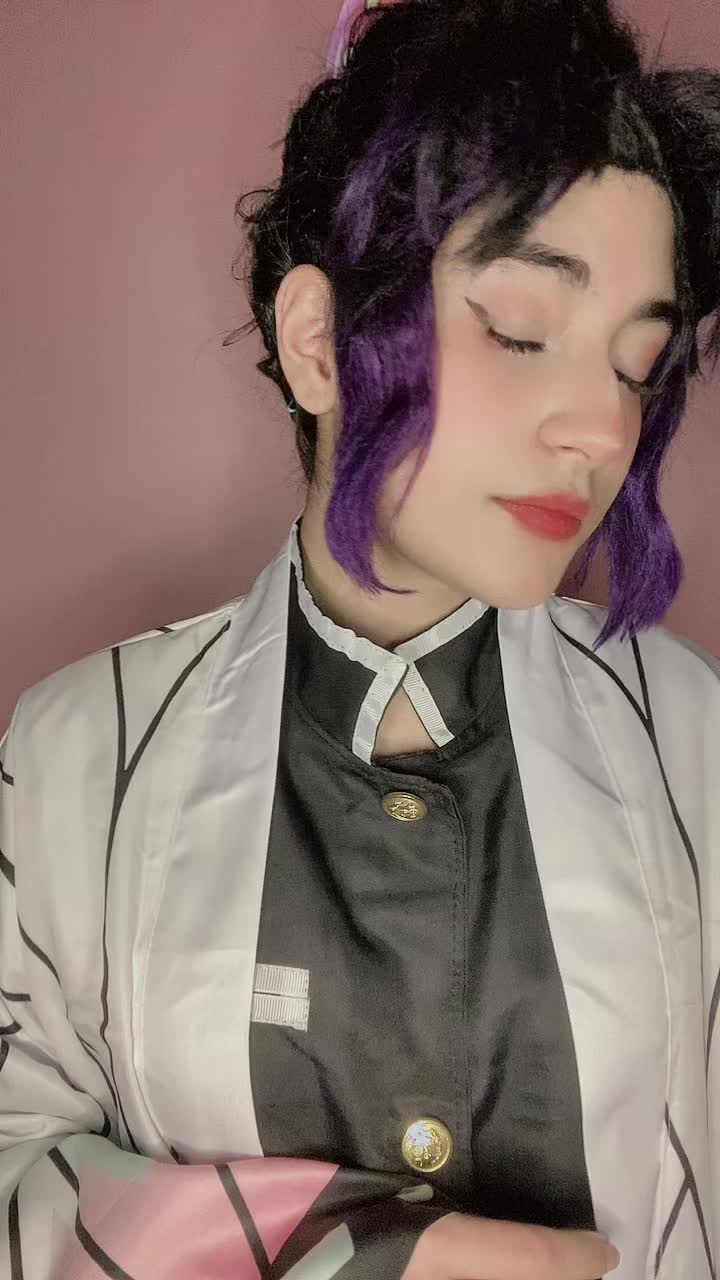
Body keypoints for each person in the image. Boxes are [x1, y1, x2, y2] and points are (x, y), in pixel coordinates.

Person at [2, 0, 720, 1275]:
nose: (604, 430)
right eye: (521, 331)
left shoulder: (695, 738)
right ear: (320, 343)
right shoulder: (74, 757)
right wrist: (363, 1254)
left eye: (636, 365)